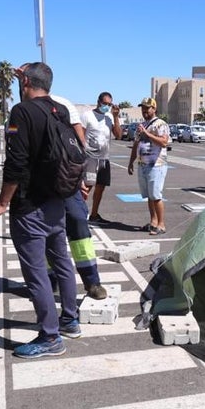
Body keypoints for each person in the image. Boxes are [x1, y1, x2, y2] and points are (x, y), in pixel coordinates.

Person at [0, 62, 80, 359]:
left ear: (25, 83)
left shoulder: (22, 111)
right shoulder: (60, 110)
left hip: (30, 204)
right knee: (61, 261)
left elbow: (16, 163)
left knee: (36, 273)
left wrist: (2, 203)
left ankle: (50, 337)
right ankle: (70, 319)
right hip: (56, 200)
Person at [41, 85, 107, 301]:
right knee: (47, 234)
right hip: (41, 187)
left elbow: (79, 147)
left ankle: (92, 281)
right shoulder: (27, 111)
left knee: (79, 224)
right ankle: (50, 281)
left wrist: (80, 178)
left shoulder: (65, 106)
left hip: (68, 185)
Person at [126, 97, 170, 235]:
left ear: (154, 108)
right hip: (143, 164)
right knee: (150, 196)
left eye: (147, 108)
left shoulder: (160, 124)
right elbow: (136, 144)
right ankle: (153, 222)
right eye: (142, 108)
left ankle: (161, 224)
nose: (144, 110)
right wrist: (131, 162)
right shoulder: (142, 125)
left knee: (156, 195)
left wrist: (146, 133)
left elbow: (164, 142)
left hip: (156, 165)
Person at [81, 91, 121, 224]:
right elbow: (80, 135)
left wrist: (116, 117)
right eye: (105, 103)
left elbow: (118, 135)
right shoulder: (87, 115)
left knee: (100, 187)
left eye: (109, 104)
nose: (107, 106)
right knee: (86, 187)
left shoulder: (109, 118)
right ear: (98, 102)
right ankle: (77, 215)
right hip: (90, 158)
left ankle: (94, 215)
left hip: (104, 158)